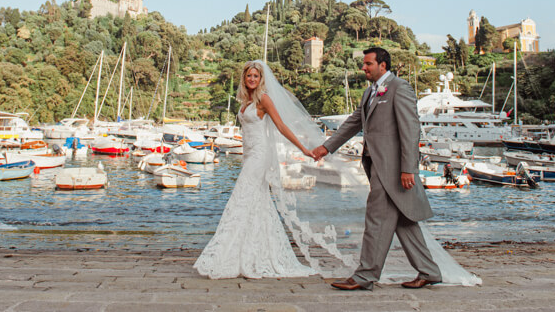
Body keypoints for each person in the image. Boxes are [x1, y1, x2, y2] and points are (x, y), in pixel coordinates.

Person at [311, 47, 474, 290]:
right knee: (404, 222)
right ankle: (429, 271)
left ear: (382, 65)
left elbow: (410, 130)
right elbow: (353, 123)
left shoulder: (400, 88)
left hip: (394, 170)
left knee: (376, 220)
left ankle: (365, 276)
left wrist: (409, 168)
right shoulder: (369, 93)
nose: (363, 68)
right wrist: (326, 148)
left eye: (368, 64)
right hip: (376, 166)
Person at [194, 60, 316, 279]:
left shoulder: (263, 99)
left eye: (255, 76)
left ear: (261, 79)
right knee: (256, 203)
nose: (252, 79)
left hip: (259, 156)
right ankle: (254, 252)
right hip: (249, 154)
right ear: (244, 78)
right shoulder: (244, 100)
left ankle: (231, 254)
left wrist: (303, 149)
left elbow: (281, 126)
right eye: (249, 76)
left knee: (240, 198)